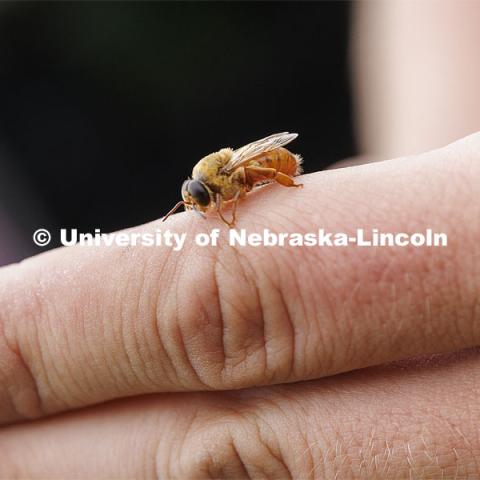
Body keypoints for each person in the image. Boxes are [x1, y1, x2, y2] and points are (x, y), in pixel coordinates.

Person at [1, 2, 480, 477]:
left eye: (199, 201)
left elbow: (255, 169)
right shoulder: (203, 190)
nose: (199, 208)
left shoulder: (224, 180)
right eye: (195, 203)